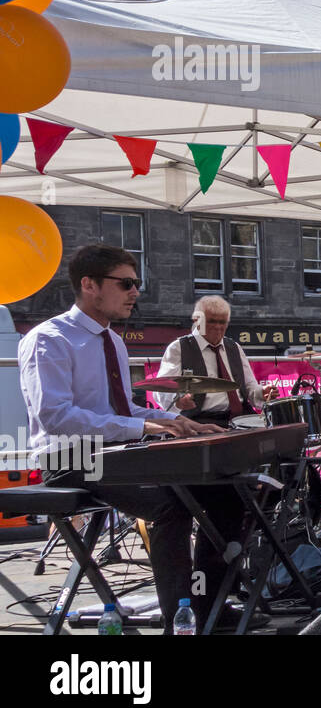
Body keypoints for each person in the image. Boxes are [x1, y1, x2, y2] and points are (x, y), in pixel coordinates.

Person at [17, 244, 246, 632]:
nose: (135, 292)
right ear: (89, 285)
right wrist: (144, 428)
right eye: (125, 283)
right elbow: (55, 417)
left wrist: (175, 421)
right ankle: (181, 620)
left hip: (116, 452)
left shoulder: (114, 341)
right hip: (68, 458)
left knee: (223, 490)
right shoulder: (49, 339)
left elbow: (123, 410)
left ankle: (212, 606)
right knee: (169, 507)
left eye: (136, 283)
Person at [154, 295, 263, 425]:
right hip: (200, 420)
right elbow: (161, 388)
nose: (217, 327)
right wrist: (178, 400)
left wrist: (262, 393)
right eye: (212, 321)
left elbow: (250, 387)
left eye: (222, 322)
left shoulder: (234, 348)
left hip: (241, 417)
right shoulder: (178, 348)